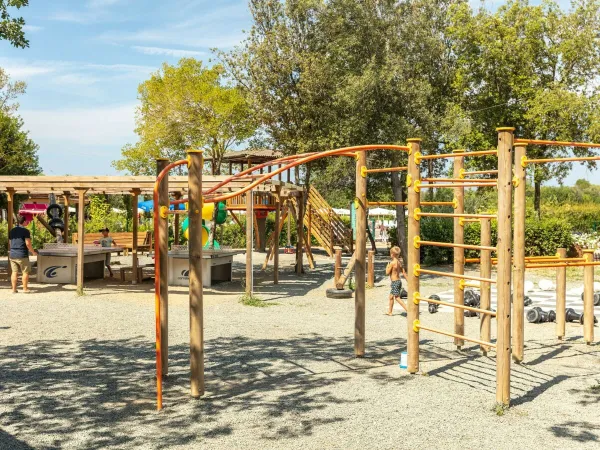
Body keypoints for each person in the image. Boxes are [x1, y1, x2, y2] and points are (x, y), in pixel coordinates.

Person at [9, 215, 38, 293]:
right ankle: (25, 289)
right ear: (24, 222)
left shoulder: (12, 230)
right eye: (26, 221)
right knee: (25, 272)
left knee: (14, 272)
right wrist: (33, 252)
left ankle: (14, 289)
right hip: (22, 254)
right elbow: (28, 244)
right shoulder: (25, 231)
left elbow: (10, 243)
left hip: (12, 254)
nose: (27, 222)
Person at [386, 246, 407, 315]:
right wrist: (408, 280)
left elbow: (387, 273)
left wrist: (387, 267)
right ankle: (390, 312)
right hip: (398, 281)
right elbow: (404, 272)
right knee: (391, 297)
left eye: (390, 253)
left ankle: (408, 310)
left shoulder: (392, 263)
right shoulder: (399, 262)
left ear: (392, 254)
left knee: (397, 298)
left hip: (395, 282)